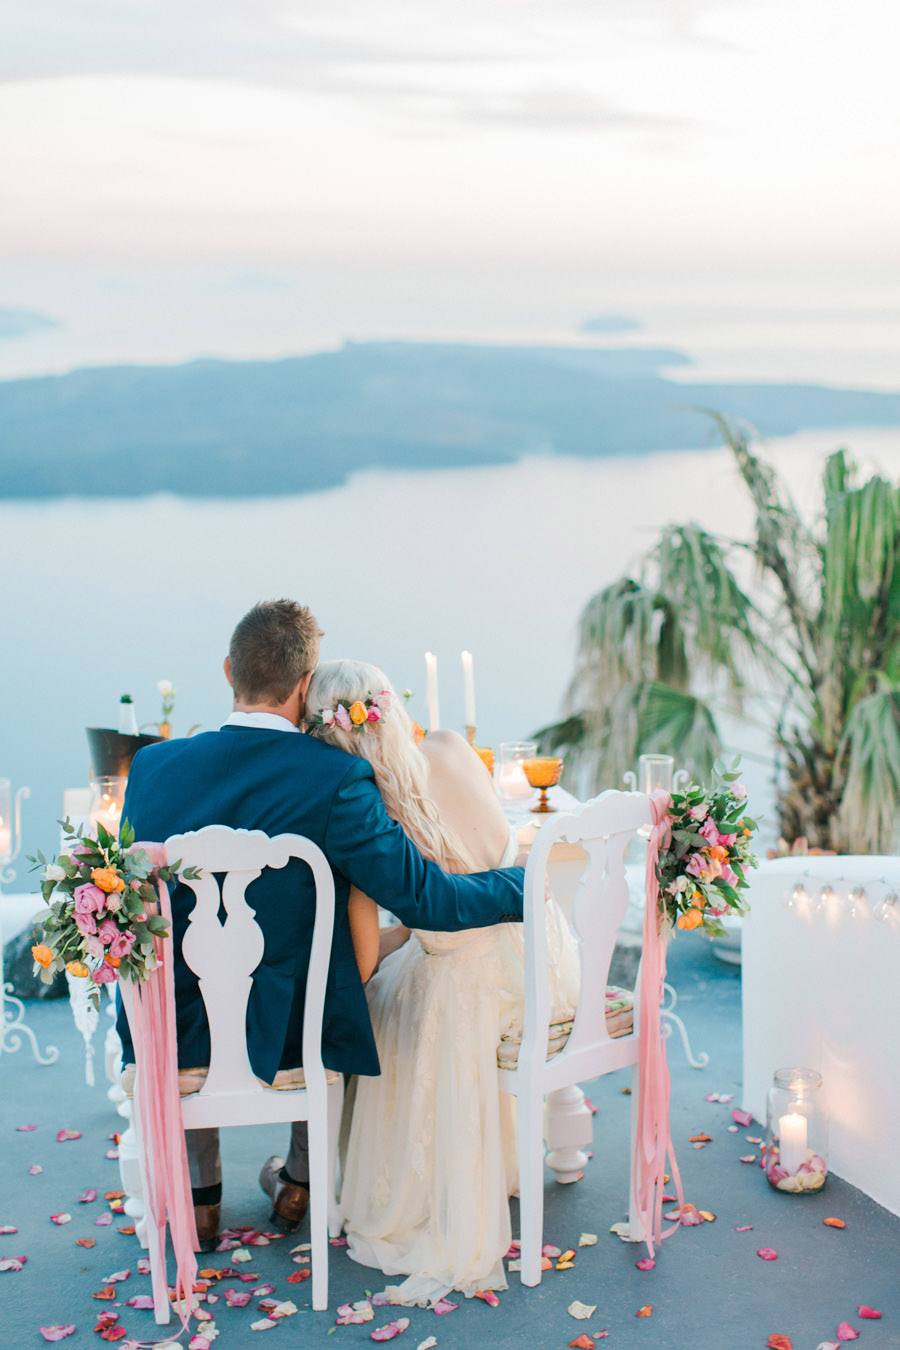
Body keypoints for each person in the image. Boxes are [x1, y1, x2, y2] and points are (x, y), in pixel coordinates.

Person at [116, 600, 525, 1248]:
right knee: (327, 967)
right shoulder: (338, 778)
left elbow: (133, 903)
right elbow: (429, 902)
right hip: (292, 1038)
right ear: (306, 687)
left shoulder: (151, 768)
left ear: (229, 671)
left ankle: (200, 1192)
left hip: (174, 1032)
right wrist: (528, 882)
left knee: (190, 968)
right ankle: (301, 1179)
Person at [305, 659, 580, 1306]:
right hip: (540, 958)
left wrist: (391, 944)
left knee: (375, 998)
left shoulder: (365, 811)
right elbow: (494, 852)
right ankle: (523, 1157)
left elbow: (374, 952)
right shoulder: (454, 747)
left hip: (462, 983)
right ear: (389, 704)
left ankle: (359, 1181)